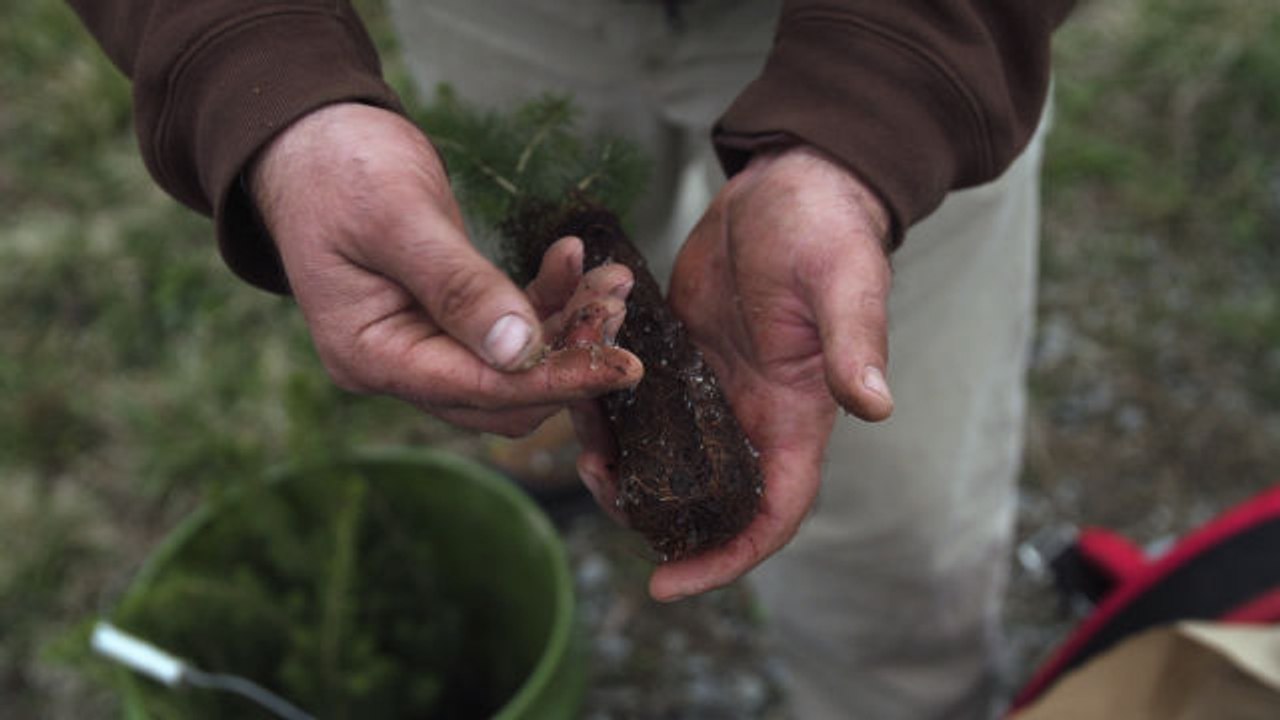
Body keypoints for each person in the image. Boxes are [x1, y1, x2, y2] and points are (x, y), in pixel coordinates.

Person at [70, 1, 1075, 716]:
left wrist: (879, 117)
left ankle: (902, 696)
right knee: (540, 279)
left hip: (892, 30)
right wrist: (265, 74)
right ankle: (549, 449)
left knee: (894, 527)